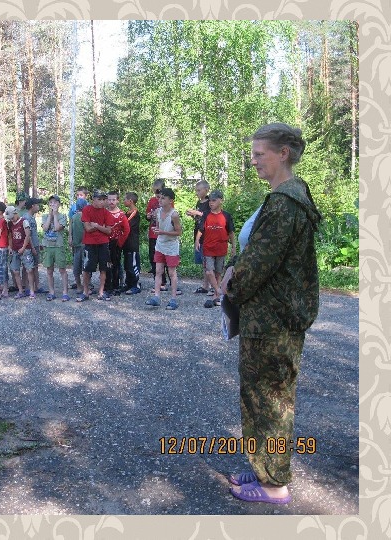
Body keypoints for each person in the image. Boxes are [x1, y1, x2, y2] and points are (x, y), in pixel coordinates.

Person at [220, 123, 321, 505]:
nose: (253, 160)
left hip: (272, 321)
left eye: (259, 154)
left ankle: (275, 483)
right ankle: (264, 467)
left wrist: (231, 283)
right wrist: (235, 266)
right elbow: (255, 251)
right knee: (260, 399)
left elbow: (258, 264)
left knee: (271, 403)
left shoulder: (284, 203)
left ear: (283, 153)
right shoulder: (284, 196)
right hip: (268, 318)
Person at [195, 190, 236, 308]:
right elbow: (201, 229)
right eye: (210, 201)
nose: (211, 203)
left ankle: (216, 296)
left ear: (221, 200)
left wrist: (234, 246)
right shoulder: (206, 214)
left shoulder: (226, 216)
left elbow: (231, 232)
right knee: (209, 271)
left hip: (221, 248)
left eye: (214, 200)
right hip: (208, 248)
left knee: (218, 272)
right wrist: (197, 241)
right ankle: (218, 290)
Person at [145, 187, 182, 310]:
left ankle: (173, 299)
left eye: (163, 198)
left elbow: (179, 232)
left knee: (171, 273)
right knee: (158, 271)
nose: (160, 200)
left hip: (171, 246)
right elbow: (158, 226)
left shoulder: (174, 215)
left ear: (171, 200)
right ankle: (156, 297)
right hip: (160, 245)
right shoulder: (157, 211)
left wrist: (162, 232)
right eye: (159, 197)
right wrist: (156, 229)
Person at [78, 190, 114, 302]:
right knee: (86, 269)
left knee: (104, 269)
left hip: (103, 244)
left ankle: (101, 292)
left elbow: (109, 231)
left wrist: (97, 226)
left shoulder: (107, 213)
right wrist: (102, 227)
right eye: (99, 199)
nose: (102, 202)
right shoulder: (87, 210)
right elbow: (87, 228)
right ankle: (85, 292)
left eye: (104, 199)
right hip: (90, 244)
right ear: (93, 199)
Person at [41, 194, 70, 301]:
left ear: (59, 204)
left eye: (55, 202)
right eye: (51, 202)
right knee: (49, 270)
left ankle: (65, 292)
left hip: (58, 246)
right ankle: (51, 292)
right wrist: (50, 215)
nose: (52, 204)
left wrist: (55, 215)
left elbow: (57, 227)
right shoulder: (45, 216)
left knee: (62, 269)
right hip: (48, 246)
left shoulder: (63, 216)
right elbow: (45, 228)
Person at [186, 180, 212, 294]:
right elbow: (199, 218)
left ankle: (209, 285)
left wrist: (197, 213)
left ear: (206, 190)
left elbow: (209, 216)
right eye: (196, 190)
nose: (197, 192)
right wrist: (193, 215)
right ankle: (205, 285)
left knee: (207, 261)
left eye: (199, 190)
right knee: (203, 262)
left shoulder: (210, 202)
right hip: (198, 233)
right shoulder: (198, 203)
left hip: (206, 235)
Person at [145, 179, 171, 286]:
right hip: (153, 233)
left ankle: (173, 282)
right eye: (154, 191)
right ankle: (160, 282)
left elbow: (171, 215)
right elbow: (147, 215)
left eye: (158, 191)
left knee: (167, 259)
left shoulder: (168, 201)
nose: (156, 194)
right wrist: (149, 216)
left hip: (164, 233)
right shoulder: (152, 201)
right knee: (154, 258)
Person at [105, 190, 130, 295]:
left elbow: (126, 230)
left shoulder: (121, 215)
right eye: (109, 199)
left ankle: (115, 286)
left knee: (115, 265)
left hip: (116, 243)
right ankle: (106, 286)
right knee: (105, 264)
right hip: (104, 243)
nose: (111, 202)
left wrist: (120, 243)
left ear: (117, 201)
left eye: (113, 200)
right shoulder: (104, 212)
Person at [8, 205, 36, 299]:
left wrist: (24, 247)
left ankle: (31, 290)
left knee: (29, 269)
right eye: (10, 218)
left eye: (12, 217)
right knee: (15, 270)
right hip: (15, 249)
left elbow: (28, 235)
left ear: (16, 213)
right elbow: (10, 236)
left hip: (25, 249)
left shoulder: (24, 221)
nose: (11, 219)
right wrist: (10, 247)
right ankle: (20, 290)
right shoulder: (10, 224)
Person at [22, 197, 44, 294]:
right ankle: (27, 287)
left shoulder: (32, 217)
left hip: (35, 245)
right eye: (37, 205)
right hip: (30, 247)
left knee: (35, 266)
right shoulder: (26, 218)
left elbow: (33, 233)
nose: (38, 206)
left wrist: (38, 244)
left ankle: (37, 286)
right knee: (28, 267)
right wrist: (32, 247)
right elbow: (28, 235)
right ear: (32, 206)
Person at [123, 192, 142, 295]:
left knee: (133, 265)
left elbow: (126, 226)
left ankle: (136, 284)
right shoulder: (127, 212)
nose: (123, 201)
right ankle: (129, 283)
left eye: (125, 199)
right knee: (127, 265)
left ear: (130, 201)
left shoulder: (134, 213)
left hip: (132, 243)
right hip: (126, 243)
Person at [68, 198, 88, 292]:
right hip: (84, 245)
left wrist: (70, 237)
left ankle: (80, 286)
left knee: (77, 267)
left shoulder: (74, 217)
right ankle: (85, 286)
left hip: (77, 246)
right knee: (85, 267)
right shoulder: (85, 217)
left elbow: (70, 229)